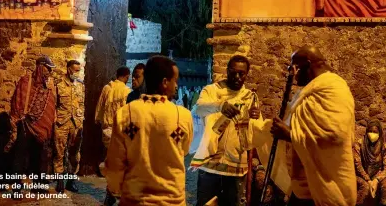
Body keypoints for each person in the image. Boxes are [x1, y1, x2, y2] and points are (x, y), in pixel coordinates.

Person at [260, 46, 356, 205]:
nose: (293, 73)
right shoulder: (309, 91)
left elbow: (336, 134)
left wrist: (290, 135)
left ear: (308, 64)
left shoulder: (334, 88)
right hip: (303, 185)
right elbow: (298, 123)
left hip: (326, 184)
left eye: (295, 68)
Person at [104, 55, 193, 205]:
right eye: (174, 81)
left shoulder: (126, 114)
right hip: (172, 201)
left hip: (134, 200)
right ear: (165, 82)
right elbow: (183, 150)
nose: (176, 86)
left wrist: (116, 190)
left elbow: (115, 162)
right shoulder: (182, 116)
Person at [191, 55, 261, 206]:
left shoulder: (251, 97)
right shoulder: (211, 91)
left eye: (241, 74)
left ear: (246, 74)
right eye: (233, 72)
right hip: (210, 166)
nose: (237, 77)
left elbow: (256, 133)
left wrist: (256, 118)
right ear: (227, 71)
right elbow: (198, 109)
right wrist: (220, 106)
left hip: (236, 168)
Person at [7, 56, 56, 198]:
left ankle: (37, 186)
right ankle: (17, 189)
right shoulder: (25, 82)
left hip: (40, 128)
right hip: (24, 124)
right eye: (47, 68)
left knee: (39, 157)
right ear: (40, 66)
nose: (49, 72)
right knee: (20, 158)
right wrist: (17, 118)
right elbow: (17, 100)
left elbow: (51, 107)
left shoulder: (49, 86)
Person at [54, 60, 84, 193]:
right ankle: (60, 181)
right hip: (61, 123)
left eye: (79, 70)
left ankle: (71, 181)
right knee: (59, 153)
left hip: (76, 124)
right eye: (75, 70)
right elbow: (54, 105)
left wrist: (80, 119)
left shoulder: (80, 86)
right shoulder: (59, 85)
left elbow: (82, 104)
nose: (77, 73)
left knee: (75, 154)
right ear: (68, 69)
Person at [353, 119, 386, 205]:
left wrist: (376, 180)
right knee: (365, 187)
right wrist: (368, 180)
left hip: (378, 175)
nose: (372, 134)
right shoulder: (359, 144)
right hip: (361, 175)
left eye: (375, 132)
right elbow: (358, 164)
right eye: (370, 131)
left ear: (379, 133)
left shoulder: (384, 147)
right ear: (366, 132)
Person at [95, 66, 131, 149]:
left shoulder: (107, 88)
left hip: (106, 129)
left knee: (107, 152)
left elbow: (100, 105)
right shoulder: (127, 91)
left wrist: (97, 119)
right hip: (119, 129)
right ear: (127, 77)